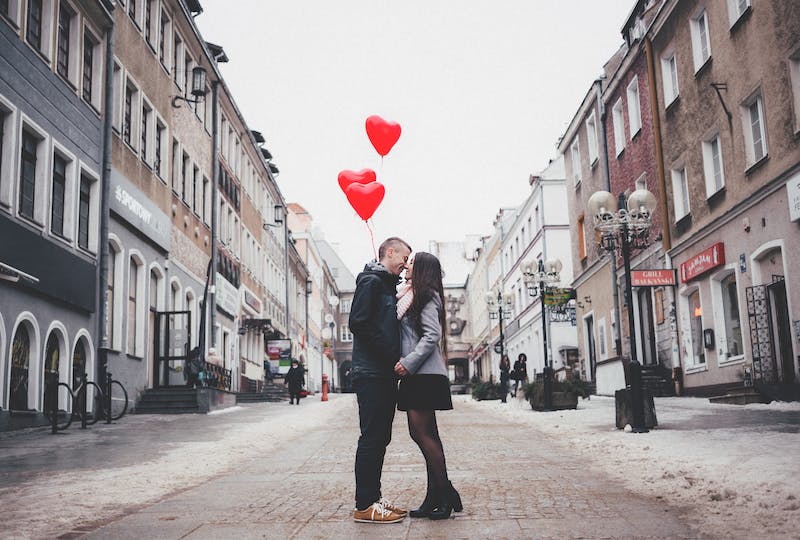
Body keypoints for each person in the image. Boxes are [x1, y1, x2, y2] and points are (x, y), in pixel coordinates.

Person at [394, 252, 463, 520]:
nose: (406, 266)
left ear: (421, 269)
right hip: (418, 374)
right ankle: (437, 494)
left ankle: (443, 495)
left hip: (423, 374)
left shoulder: (427, 296)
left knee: (423, 435)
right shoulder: (408, 295)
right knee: (425, 435)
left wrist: (408, 363)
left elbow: (432, 335)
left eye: (411, 263)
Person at [349, 237, 412, 524]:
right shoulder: (371, 282)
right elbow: (359, 323)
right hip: (372, 372)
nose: (405, 264)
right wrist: (391, 357)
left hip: (382, 372)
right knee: (372, 438)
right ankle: (364, 504)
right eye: (404, 257)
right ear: (390, 252)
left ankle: (374, 498)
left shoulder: (385, 285)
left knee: (380, 438)